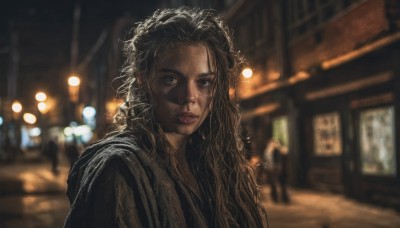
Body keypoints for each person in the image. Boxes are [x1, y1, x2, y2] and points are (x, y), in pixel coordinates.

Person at [64, 7, 268, 228]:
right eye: (171, 79)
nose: (189, 97)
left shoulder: (211, 162)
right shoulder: (120, 172)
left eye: (204, 82)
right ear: (142, 79)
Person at [263, 138, 290, 203]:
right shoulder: (268, 151)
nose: (274, 144)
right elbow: (267, 161)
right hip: (272, 169)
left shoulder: (279, 150)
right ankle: (276, 197)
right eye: (272, 143)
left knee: (281, 183)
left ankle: (282, 198)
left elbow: (282, 159)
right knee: (274, 184)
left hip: (279, 169)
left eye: (275, 143)